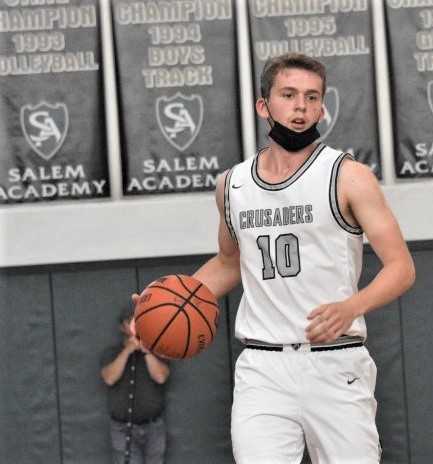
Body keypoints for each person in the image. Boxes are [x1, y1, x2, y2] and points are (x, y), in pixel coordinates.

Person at [135, 52, 415, 463]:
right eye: (288, 94)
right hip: (263, 366)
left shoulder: (347, 176)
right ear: (263, 106)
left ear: (322, 106)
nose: (301, 106)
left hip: (335, 361)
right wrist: (168, 302)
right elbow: (230, 262)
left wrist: (351, 306)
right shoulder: (232, 185)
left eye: (312, 97)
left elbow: (402, 268)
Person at [100, 306, 170, 464]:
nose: (134, 326)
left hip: (154, 428)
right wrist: (128, 351)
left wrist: (145, 350)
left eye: (138, 321)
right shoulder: (111, 353)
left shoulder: (157, 349)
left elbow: (160, 377)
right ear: (122, 327)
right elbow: (109, 378)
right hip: (122, 429)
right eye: (129, 321)